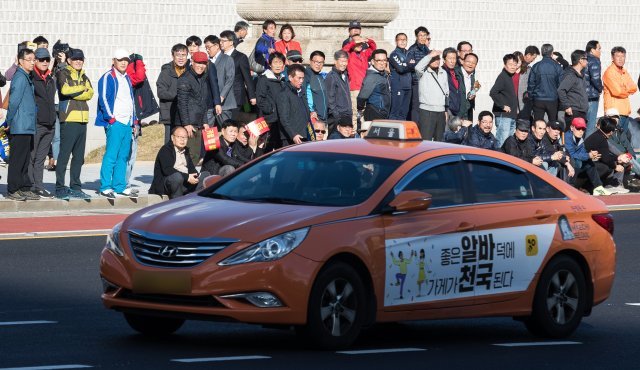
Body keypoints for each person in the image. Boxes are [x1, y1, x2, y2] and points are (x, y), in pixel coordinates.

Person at [96, 49, 138, 199]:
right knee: (111, 155)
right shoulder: (108, 77)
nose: (123, 62)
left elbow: (131, 100)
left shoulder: (127, 78)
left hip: (127, 123)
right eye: (120, 60)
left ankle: (119, 186)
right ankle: (106, 186)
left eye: (126, 60)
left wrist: (134, 121)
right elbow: (104, 99)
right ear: (114, 60)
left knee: (123, 156)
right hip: (115, 122)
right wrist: (111, 119)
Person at [55, 48, 94, 200]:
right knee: (64, 155)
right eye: (75, 59)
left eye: (81, 59)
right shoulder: (63, 73)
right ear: (69, 60)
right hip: (69, 119)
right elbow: (65, 90)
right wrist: (81, 89)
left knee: (78, 157)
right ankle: (59, 187)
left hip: (83, 120)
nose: (78, 61)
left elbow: (90, 93)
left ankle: (75, 187)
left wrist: (77, 91)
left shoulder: (85, 76)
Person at [6, 48, 39, 201]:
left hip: (26, 125)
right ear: (20, 61)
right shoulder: (19, 77)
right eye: (29, 59)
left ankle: (24, 187)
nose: (33, 62)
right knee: (17, 159)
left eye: (34, 59)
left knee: (26, 159)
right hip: (19, 125)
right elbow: (13, 102)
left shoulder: (27, 76)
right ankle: (13, 189)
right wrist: (10, 121)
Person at [29, 48, 57, 199]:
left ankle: (38, 186)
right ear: (35, 61)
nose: (45, 62)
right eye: (41, 59)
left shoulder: (50, 79)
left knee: (41, 158)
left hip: (50, 124)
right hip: (36, 124)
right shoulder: (31, 77)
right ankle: (30, 185)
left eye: (47, 59)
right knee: (32, 157)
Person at [149, 126, 206, 199]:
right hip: (168, 183)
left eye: (185, 137)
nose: (182, 140)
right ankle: (177, 201)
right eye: (179, 137)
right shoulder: (166, 150)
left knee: (205, 176)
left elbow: (191, 168)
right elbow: (167, 170)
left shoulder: (186, 150)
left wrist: (196, 176)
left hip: (184, 182)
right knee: (177, 177)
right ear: (172, 138)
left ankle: (195, 201)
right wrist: (187, 177)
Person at [176, 51, 213, 164]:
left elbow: (203, 102)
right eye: (198, 62)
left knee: (195, 156)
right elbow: (182, 103)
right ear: (192, 62)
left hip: (198, 123)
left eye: (203, 63)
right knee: (188, 157)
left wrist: (205, 121)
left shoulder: (202, 78)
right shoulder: (185, 78)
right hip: (188, 124)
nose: (201, 66)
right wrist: (186, 124)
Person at [564, 118, 611, 196]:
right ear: (572, 128)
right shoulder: (567, 137)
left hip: (577, 164)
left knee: (591, 164)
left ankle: (597, 188)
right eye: (578, 128)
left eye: (583, 129)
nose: (581, 131)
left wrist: (590, 156)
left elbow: (582, 153)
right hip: (567, 164)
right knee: (573, 161)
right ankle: (570, 189)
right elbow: (571, 154)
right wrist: (588, 155)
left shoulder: (580, 138)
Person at [584, 116, 630, 194]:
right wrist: (615, 166)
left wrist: (618, 158)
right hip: (584, 166)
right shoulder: (601, 139)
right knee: (606, 167)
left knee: (610, 164)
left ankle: (609, 185)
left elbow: (604, 155)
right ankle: (593, 186)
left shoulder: (598, 135)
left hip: (586, 162)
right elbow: (606, 158)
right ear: (611, 132)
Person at [220, 30, 257, 117]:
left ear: (231, 42)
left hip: (236, 95)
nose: (221, 43)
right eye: (220, 40)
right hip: (221, 95)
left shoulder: (240, 57)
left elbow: (247, 78)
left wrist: (252, 96)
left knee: (235, 121)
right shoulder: (219, 57)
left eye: (224, 41)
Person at [157, 44, 188, 143]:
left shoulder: (190, 71)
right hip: (170, 114)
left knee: (185, 142)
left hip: (186, 115)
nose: (181, 58)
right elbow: (161, 93)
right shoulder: (166, 72)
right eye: (178, 55)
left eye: (183, 55)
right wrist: (179, 95)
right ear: (173, 56)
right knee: (170, 143)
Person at [276, 64, 314, 146]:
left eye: (303, 78)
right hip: (291, 138)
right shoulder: (284, 93)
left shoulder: (301, 92)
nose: (301, 81)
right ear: (290, 78)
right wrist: (293, 134)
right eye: (299, 78)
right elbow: (283, 118)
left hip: (304, 135)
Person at [255, 52, 287, 150]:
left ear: (284, 65)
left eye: (280, 62)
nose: (278, 65)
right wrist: (272, 110)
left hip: (280, 119)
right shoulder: (264, 79)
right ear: (269, 64)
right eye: (275, 62)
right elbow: (260, 99)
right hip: (269, 120)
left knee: (279, 147)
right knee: (266, 147)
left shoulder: (283, 79)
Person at [603, 46, 637, 133]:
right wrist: (626, 89)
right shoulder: (609, 72)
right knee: (615, 140)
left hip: (625, 111)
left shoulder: (624, 71)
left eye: (623, 56)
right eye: (618, 56)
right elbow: (617, 92)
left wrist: (623, 88)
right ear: (612, 57)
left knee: (623, 139)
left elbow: (634, 87)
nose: (621, 59)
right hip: (614, 113)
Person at [342, 34, 376, 123]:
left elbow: (373, 49)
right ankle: (354, 134)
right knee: (354, 113)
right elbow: (344, 50)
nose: (360, 44)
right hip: (354, 88)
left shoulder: (364, 54)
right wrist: (354, 42)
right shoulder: (349, 55)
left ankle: (363, 134)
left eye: (361, 43)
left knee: (364, 113)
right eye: (358, 43)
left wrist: (368, 41)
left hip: (365, 88)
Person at [415, 53, 447, 141]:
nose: (436, 61)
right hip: (427, 110)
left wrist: (446, 110)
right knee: (426, 139)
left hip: (441, 111)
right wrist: (429, 55)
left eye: (438, 59)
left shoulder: (443, 72)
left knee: (440, 141)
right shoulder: (423, 72)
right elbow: (417, 67)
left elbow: (446, 92)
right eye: (433, 59)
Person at [527, 44, 563, 122]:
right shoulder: (557, 67)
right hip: (553, 99)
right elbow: (561, 85)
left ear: (541, 52)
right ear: (552, 53)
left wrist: (531, 97)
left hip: (538, 99)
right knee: (553, 123)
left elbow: (531, 84)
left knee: (538, 123)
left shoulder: (536, 66)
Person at [204, 35, 235, 124]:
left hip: (224, 103)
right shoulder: (206, 62)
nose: (207, 50)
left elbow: (230, 80)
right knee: (209, 132)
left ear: (217, 46)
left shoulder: (227, 59)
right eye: (206, 47)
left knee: (226, 128)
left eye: (209, 47)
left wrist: (221, 96)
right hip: (209, 103)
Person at [490, 53, 519, 146]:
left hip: (511, 115)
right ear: (505, 65)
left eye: (515, 64)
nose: (513, 67)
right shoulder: (503, 77)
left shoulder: (510, 77)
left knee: (508, 143)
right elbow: (493, 92)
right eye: (510, 64)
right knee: (502, 142)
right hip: (504, 116)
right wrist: (502, 106)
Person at [407, 26, 434, 123]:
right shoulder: (413, 49)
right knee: (416, 106)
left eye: (424, 35)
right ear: (416, 36)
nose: (422, 37)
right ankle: (415, 127)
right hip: (416, 81)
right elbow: (411, 66)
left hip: (426, 81)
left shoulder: (426, 48)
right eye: (420, 35)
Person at [357, 49, 391, 121]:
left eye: (384, 60)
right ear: (372, 61)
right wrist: (360, 109)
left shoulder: (383, 74)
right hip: (375, 113)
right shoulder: (371, 77)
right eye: (379, 60)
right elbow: (362, 97)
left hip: (384, 113)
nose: (382, 63)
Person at [558, 50, 589, 129]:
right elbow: (561, 90)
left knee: (580, 137)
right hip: (574, 112)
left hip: (581, 111)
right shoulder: (571, 75)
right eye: (586, 59)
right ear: (580, 60)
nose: (587, 62)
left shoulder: (581, 74)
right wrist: (567, 106)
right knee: (571, 136)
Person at [324, 50, 352, 129]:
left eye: (346, 61)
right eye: (342, 61)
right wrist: (337, 116)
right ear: (335, 61)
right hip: (337, 117)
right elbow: (330, 99)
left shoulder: (345, 74)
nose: (344, 64)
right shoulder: (331, 76)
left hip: (347, 115)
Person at [389, 32, 413, 120]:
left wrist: (406, 64)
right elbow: (401, 69)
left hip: (408, 86)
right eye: (400, 39)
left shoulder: (409, 53)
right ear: (396, 41)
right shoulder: (394, 54)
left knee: (404, 112)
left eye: (404, 40)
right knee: (395, 112)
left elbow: (414, 66)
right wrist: (408, 64)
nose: (402, 42)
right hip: (398, 86)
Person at [584, 40, 603, 136]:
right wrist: (600, 89)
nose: (600, 51)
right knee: (590, 126)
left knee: (581, 125)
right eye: (599, 48)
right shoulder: (594, 60)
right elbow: (595, 78)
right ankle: (587, 149)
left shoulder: (582, 59)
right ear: (592, 50)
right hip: (592, 96)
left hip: (581, 96)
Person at [304, 51, 328, 122]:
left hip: (323, 118)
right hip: (313, 117)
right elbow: (304, 96)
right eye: (316, 62)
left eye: (321, 62)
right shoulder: (305, 76)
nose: (318, 65)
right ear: (310, 61)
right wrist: (311, 111)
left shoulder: (321, 77)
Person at [442, 47, 463, 118]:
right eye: (450, 58)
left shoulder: (457, 73)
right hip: (447, 110)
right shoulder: (441, 72)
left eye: (454, 58)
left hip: (457, 109)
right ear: (444, 60)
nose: (452, 61)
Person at [458, 53, 479, 121]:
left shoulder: (472, 75)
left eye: (473, 63)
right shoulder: (455, 73)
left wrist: (473, 93)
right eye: (468, 62)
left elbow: (471, 91)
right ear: (463, 61)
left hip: (467, 110)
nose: (470, 64)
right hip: (456, 111)